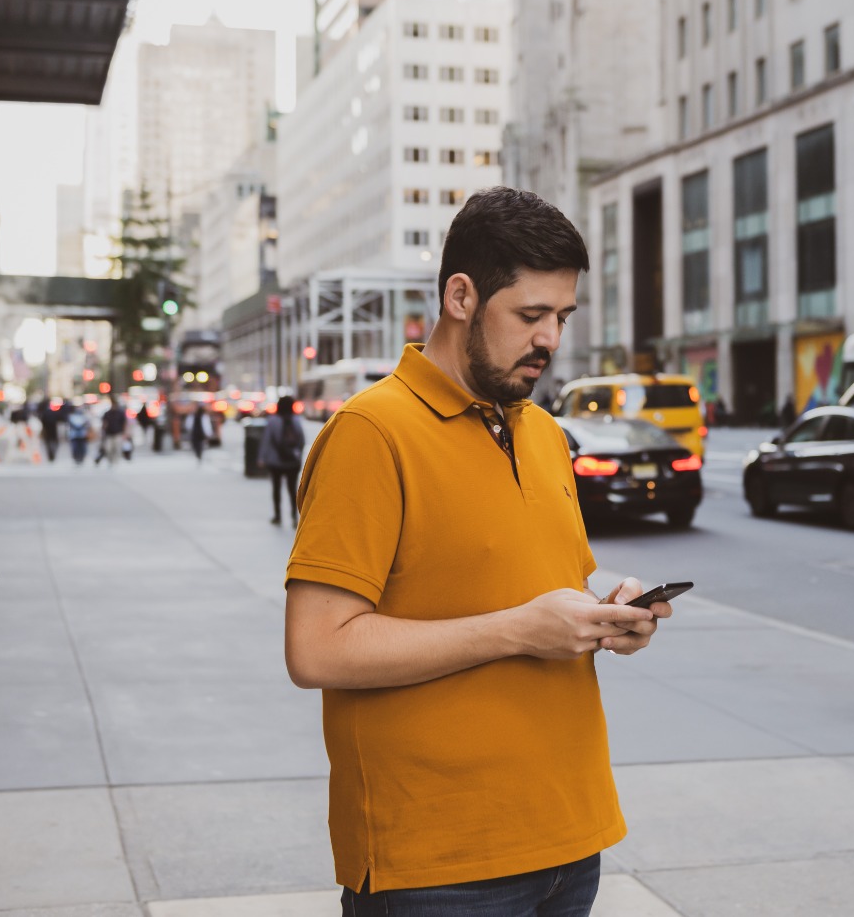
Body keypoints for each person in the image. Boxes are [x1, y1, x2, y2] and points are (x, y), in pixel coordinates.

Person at [284, 187, 672, 916]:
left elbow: (534, 594)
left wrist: (605, 621)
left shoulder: (546, 434)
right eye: (530, 315)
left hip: (571, 836)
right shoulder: (372, 433)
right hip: (437, 864)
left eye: (561, 317)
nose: (551, 339)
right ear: (461, 295)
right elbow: (316, 650)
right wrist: (520, 628)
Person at [258, 397, 306, 526]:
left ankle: (277, 515)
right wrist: (297, 454)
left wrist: (262, 458)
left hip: (275, 461)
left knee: (276, 488)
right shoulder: (296, 420)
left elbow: (266, 440)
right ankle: (294, 517)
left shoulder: (273, 421)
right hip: (292, 461)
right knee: (292, 489)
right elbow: (301, 440)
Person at [95, 401, 127, 465]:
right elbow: (104, 423)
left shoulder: (120, 413)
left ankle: (115, 461)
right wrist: (102, 432)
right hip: (109, 434)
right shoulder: (107, 413)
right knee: (108, 448)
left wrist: (124, 433)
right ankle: (110, 460)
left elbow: (124, 423)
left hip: (117, 433)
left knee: (117, 448)